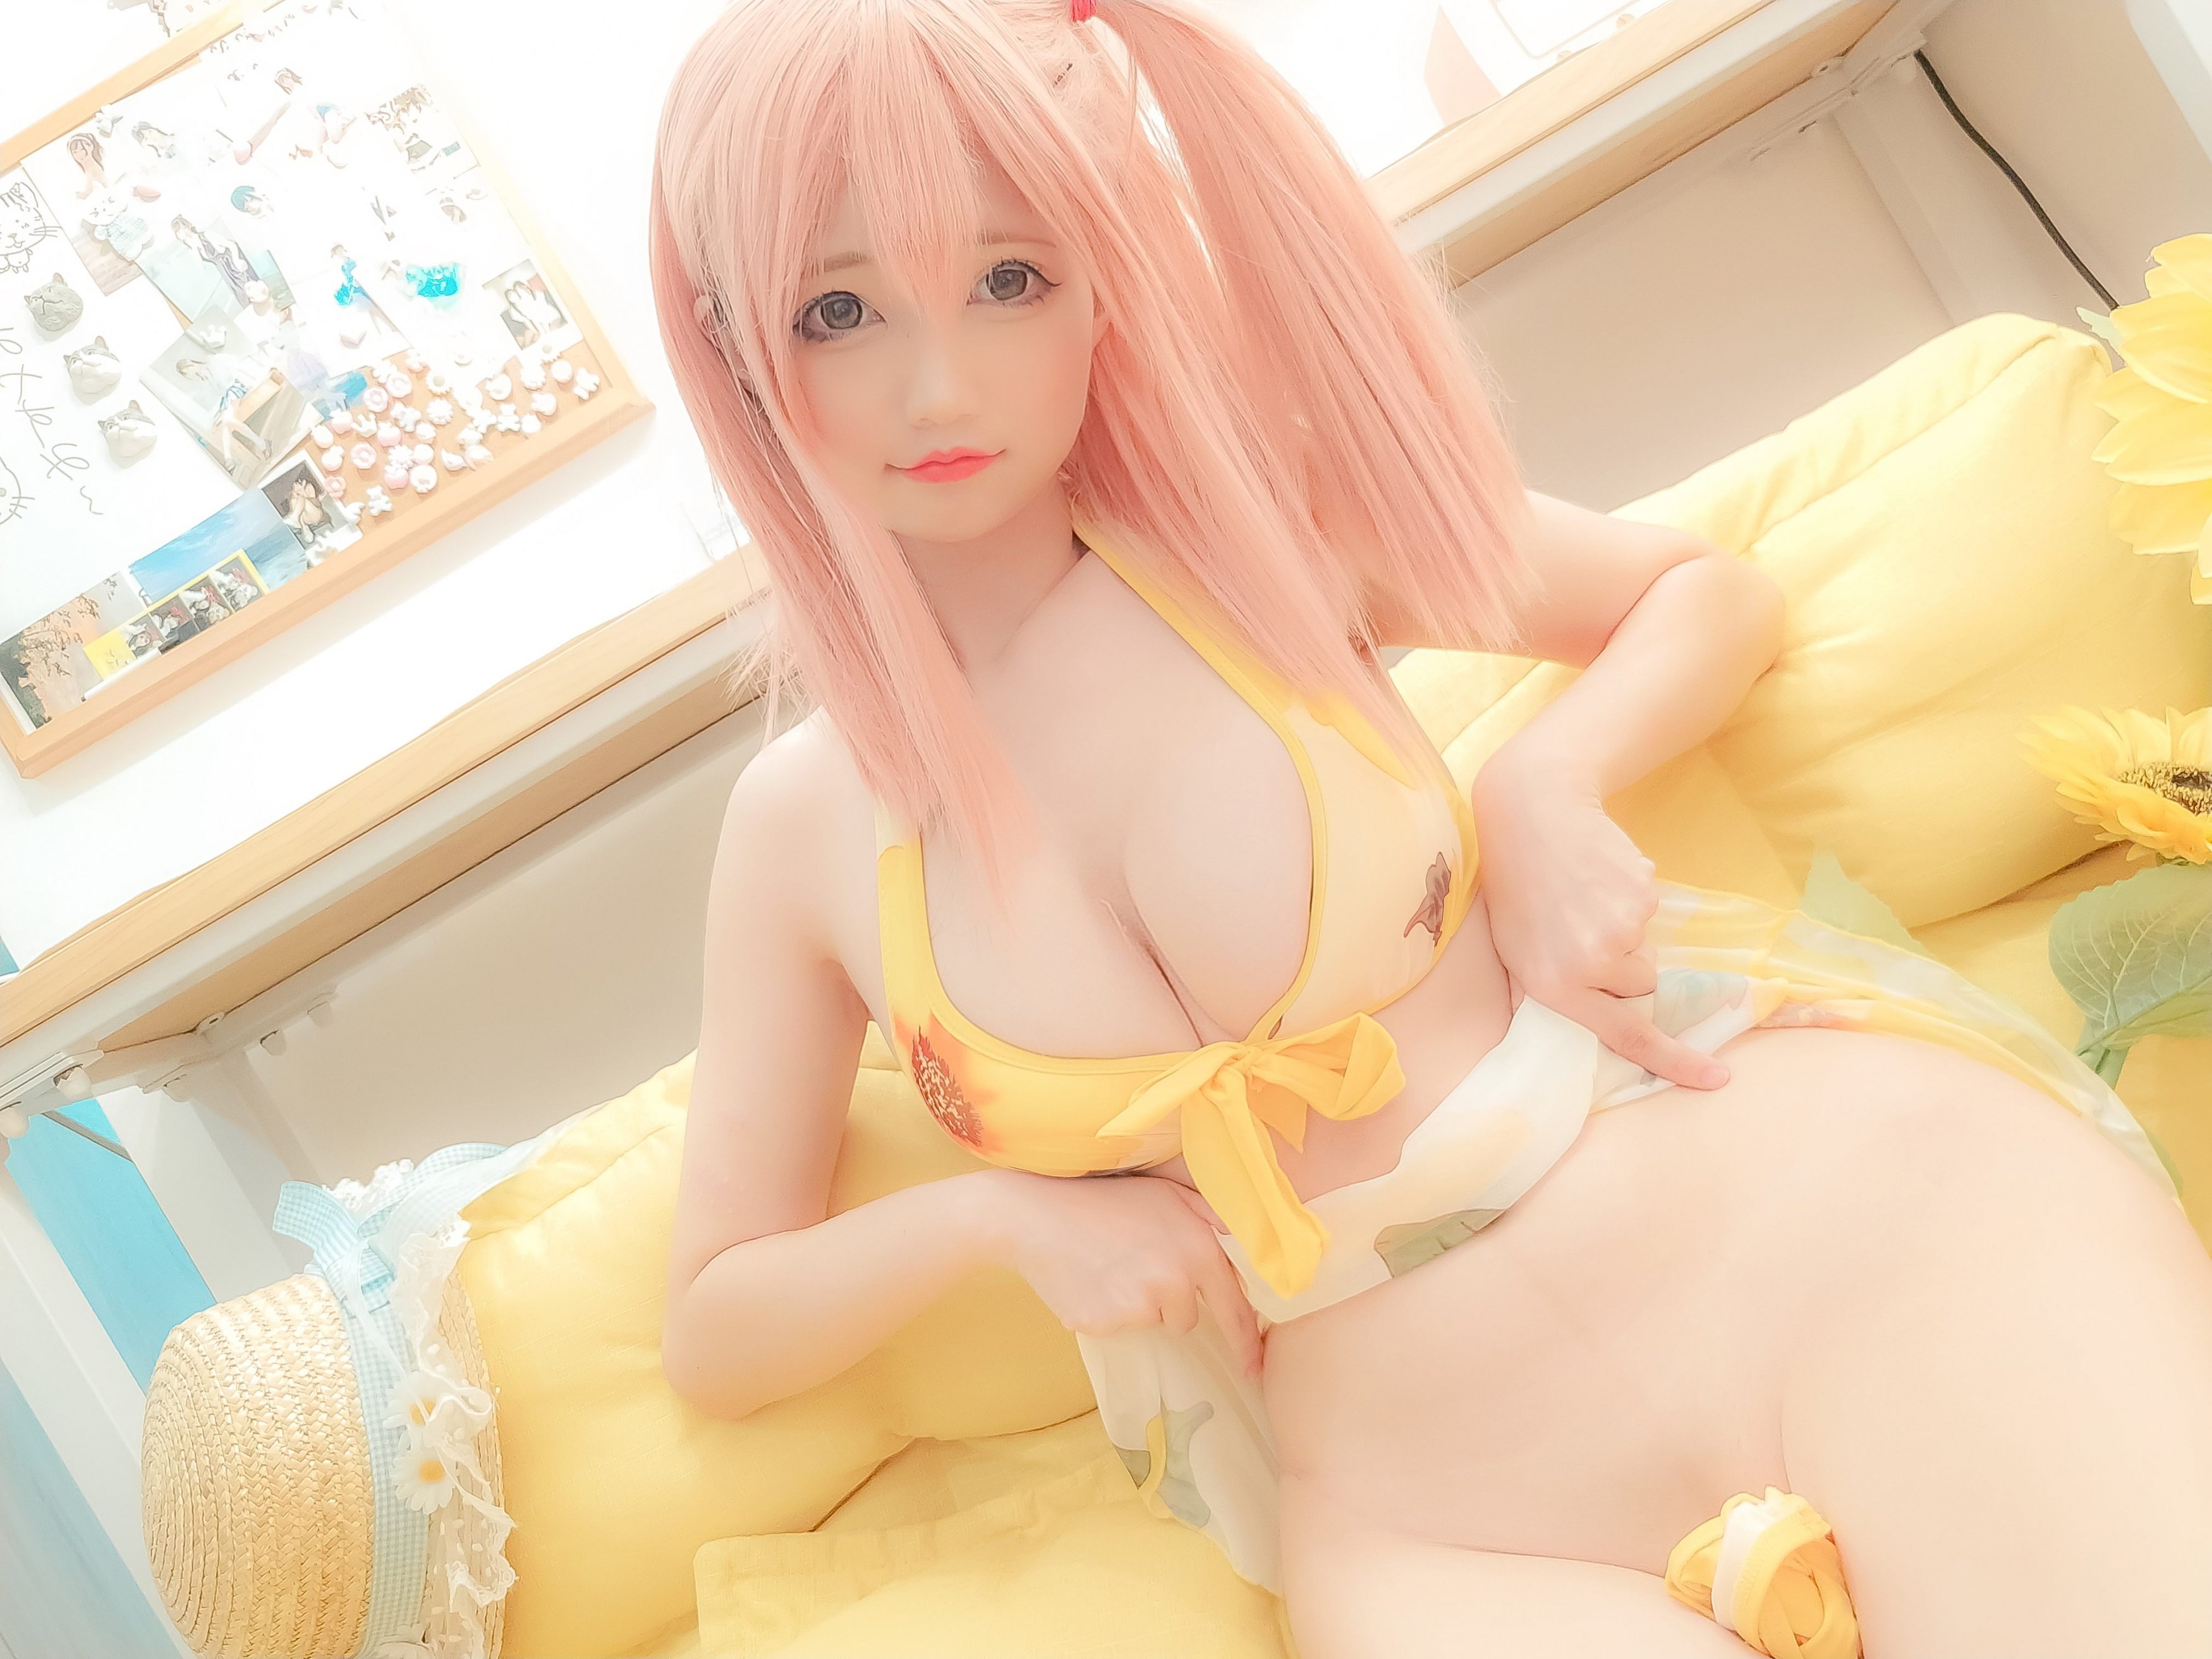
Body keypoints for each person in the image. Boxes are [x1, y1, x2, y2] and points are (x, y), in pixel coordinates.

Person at [648, 4, 2212, 1656]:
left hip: (1788, 1216)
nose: (941, 382)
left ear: (1100, 278)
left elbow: (1701, 595)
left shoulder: (1259, 534)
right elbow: (714, 1321)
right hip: (1435, 1505)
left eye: (1009, 277)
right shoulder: (802, 829)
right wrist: (995, 1216)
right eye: (839, 309)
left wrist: (1543, 787)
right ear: (738, 344)